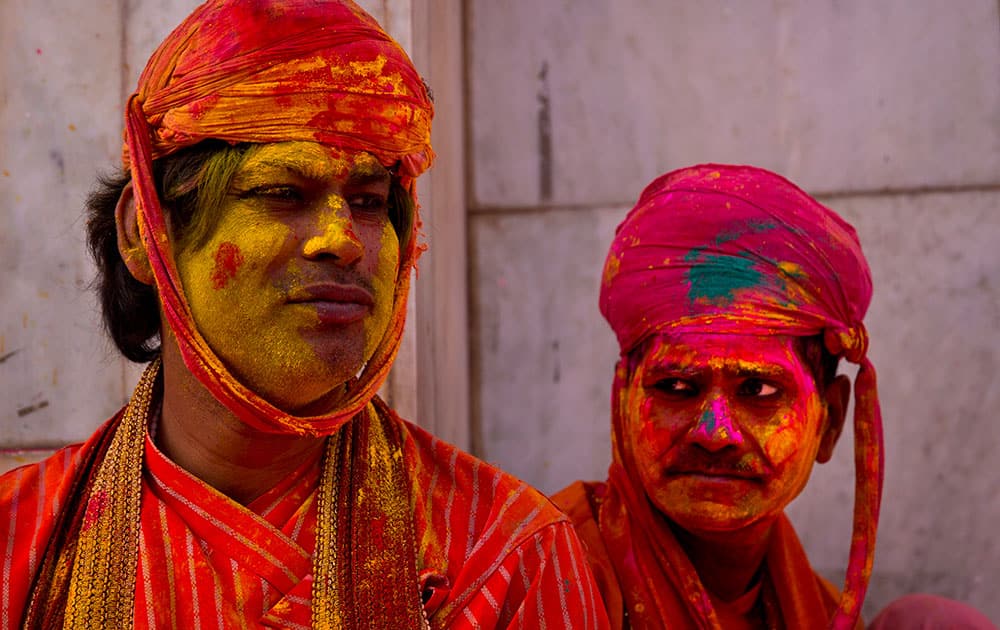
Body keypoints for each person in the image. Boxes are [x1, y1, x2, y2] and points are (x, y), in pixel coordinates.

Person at [0, 2, 608, 628]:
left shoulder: (503, 557)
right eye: (283, 193)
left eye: (370, 202)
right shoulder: (17, 546)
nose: (342, 239)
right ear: (144, 233)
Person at [552, 164, 994, 629]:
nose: (714, 433)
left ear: (832, 422)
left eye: (758, 390)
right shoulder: (543, 579)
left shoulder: (817, 614)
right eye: (677, 388)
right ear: (622, 405)